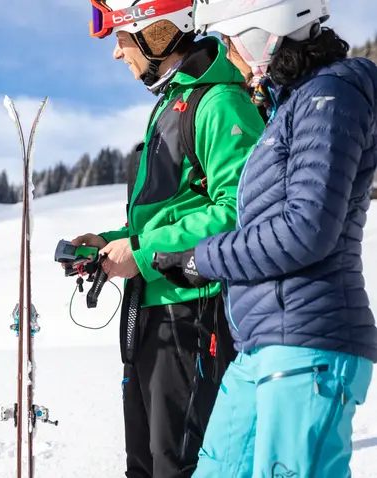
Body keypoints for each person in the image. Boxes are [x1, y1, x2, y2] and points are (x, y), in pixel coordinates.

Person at [151, 0, 377, 476]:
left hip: (308, 345)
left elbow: (306, 229)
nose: (228, 57)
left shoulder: (332, 95)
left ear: (264, 34)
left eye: (229, 42)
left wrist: (201, 257)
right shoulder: (292, 105)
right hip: (260, 347)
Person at [76, 1, 266, 476]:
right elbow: (172, 212)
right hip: (154, 310)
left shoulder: (219, 102)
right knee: (143, 464)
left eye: (121, 39)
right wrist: (111, 242)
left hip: (194, 310)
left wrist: (140, 253)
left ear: (154, 34)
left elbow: (240, 210)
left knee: (178, 465)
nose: (118, 55)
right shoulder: (172, 102)